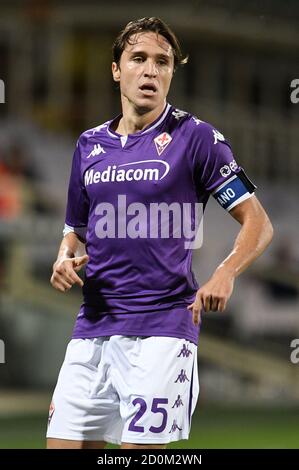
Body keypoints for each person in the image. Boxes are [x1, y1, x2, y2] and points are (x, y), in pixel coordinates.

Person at [47, 17, 273, 449]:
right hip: (92, 328)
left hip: (162, 331)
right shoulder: (89, 145)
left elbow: (258, 222)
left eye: (162, 62)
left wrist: (226, 272)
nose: (151, 70)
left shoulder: (197, 138)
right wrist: (63, 255)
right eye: (138, 58)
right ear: (117, 70)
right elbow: (74, 228)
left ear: (171, 72)